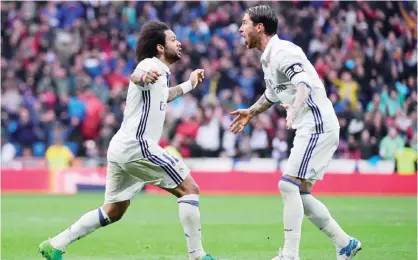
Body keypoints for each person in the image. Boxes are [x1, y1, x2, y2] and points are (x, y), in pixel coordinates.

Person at [39, 21, 218, 260]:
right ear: (160, 48)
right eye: (173, 39)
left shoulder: (162, 72)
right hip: (139, 145)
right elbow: (136, 76)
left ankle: (55, 244)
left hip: (121, 146)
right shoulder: (149, 65)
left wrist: (189, 84)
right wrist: (143, 76)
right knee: (190, 189)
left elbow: (163, 95)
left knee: (114, 210)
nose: (179, 42)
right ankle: (197, 256)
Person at [230, 5, 361, 260]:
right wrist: (251, 112)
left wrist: (294, 109)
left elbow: (303, 83)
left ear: (259, 27)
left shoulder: (283, 51)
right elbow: (272, 93)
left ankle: (290, 255)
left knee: (287, 185)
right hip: (311, 125)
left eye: (244, 23)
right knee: (299, 193)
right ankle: (345, 244)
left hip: (316, 123)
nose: (240, 28)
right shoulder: (268, 57)